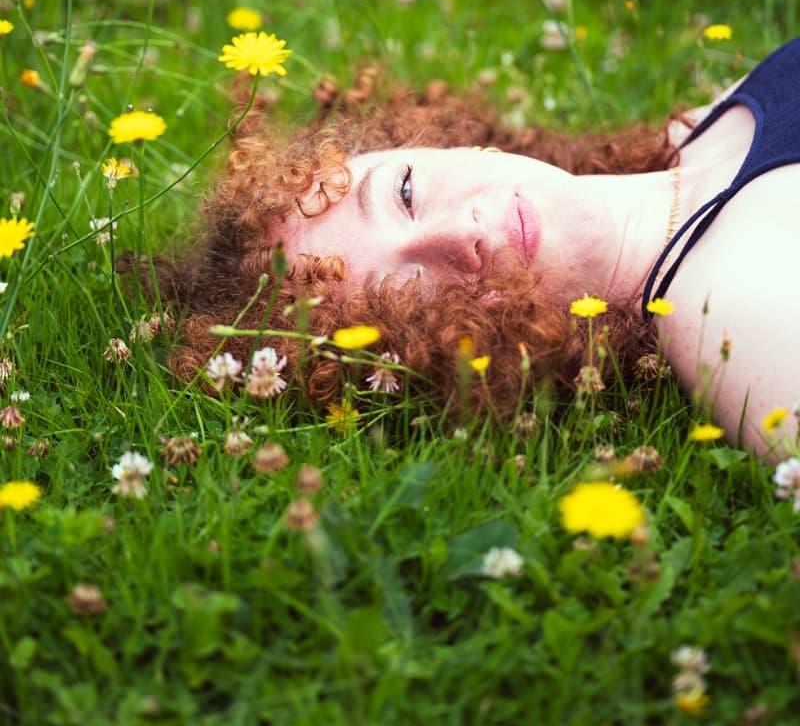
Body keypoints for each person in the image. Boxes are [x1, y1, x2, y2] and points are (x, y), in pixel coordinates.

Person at [163, 40, 800, 459]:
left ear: (428, 144)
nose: (457, 235)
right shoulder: (729, 326)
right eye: (410, 296)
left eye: (404, 191)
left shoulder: (698, 132)